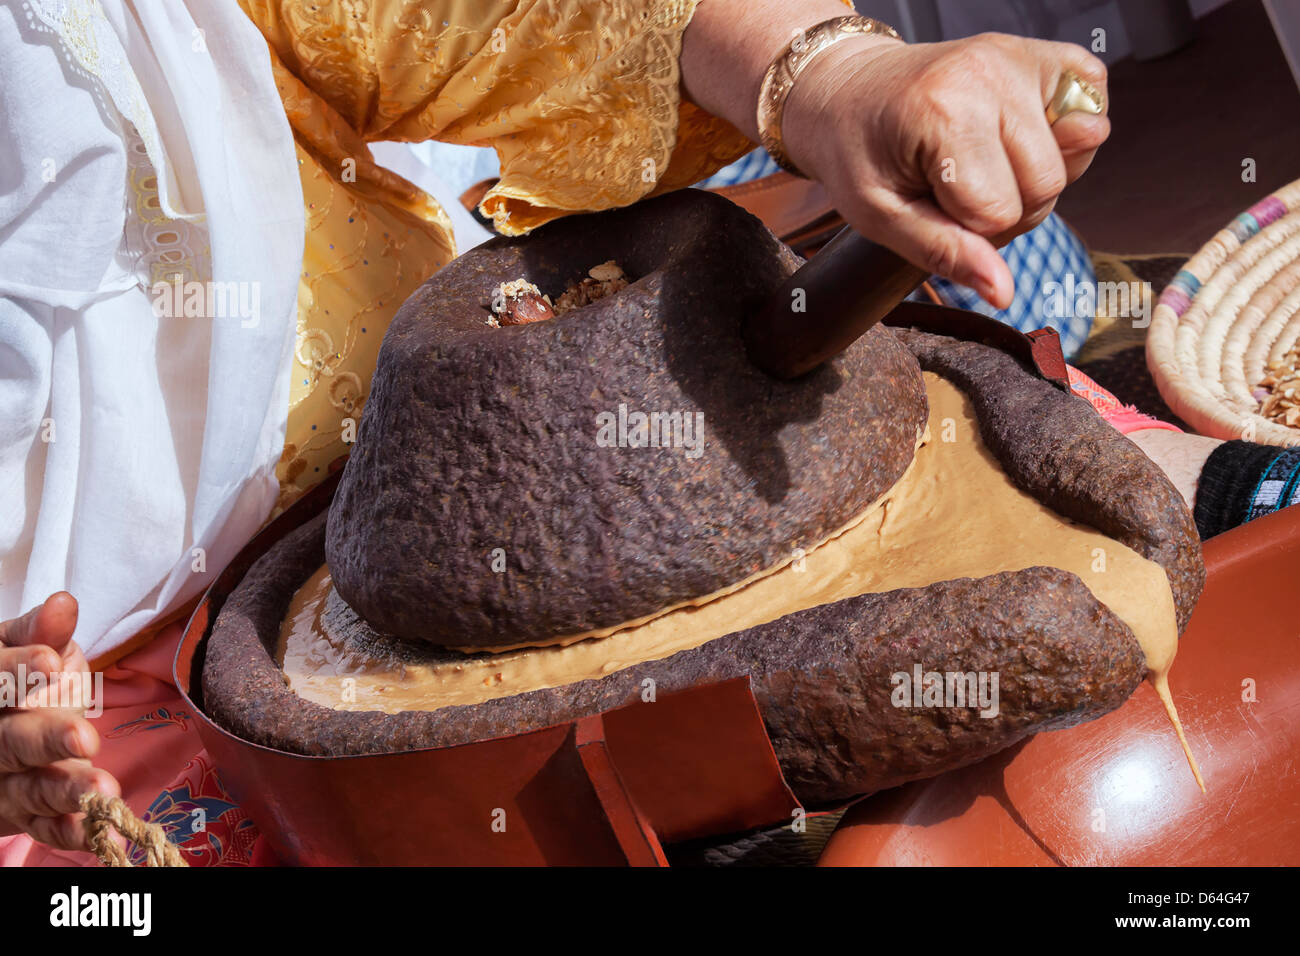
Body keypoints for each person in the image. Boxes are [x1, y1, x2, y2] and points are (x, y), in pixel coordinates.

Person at [0, 0, 1286, 864]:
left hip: (497, 414)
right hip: (140, 695)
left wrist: (833, 74)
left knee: (1010, 402)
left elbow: (493, 20)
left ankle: (1251, 501)